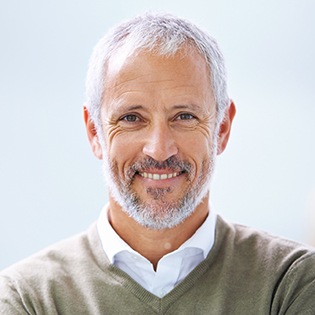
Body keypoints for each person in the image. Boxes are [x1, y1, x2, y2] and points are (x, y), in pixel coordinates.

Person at [1, 13, 315, 314]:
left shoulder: (290, 283)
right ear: (95, 131)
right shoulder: (28, 298)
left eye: (185, 116)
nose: (159, 149)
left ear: (222, 128)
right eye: (131, 118)